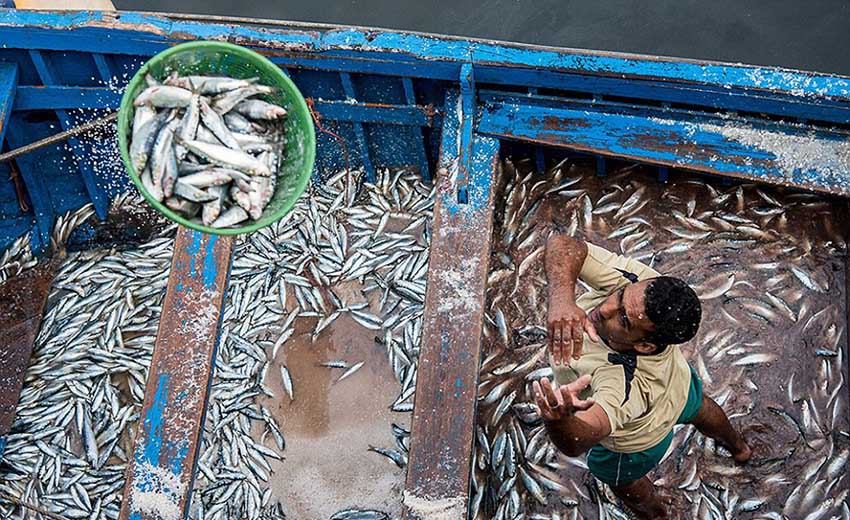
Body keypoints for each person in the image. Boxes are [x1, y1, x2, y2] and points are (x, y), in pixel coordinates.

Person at [532, 235, 751, 519]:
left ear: (645, 346)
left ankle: (657, 516)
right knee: (700, 407)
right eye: (620, 296)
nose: (605, 309)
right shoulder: (643, 288)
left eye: (622, 320)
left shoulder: (626, 384)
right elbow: (563, 244)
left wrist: (559, 419)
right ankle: (740, 447)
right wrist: (561, 299)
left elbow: (577, 440)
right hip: (678, 384)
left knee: (625, 484)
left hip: (640, 439)